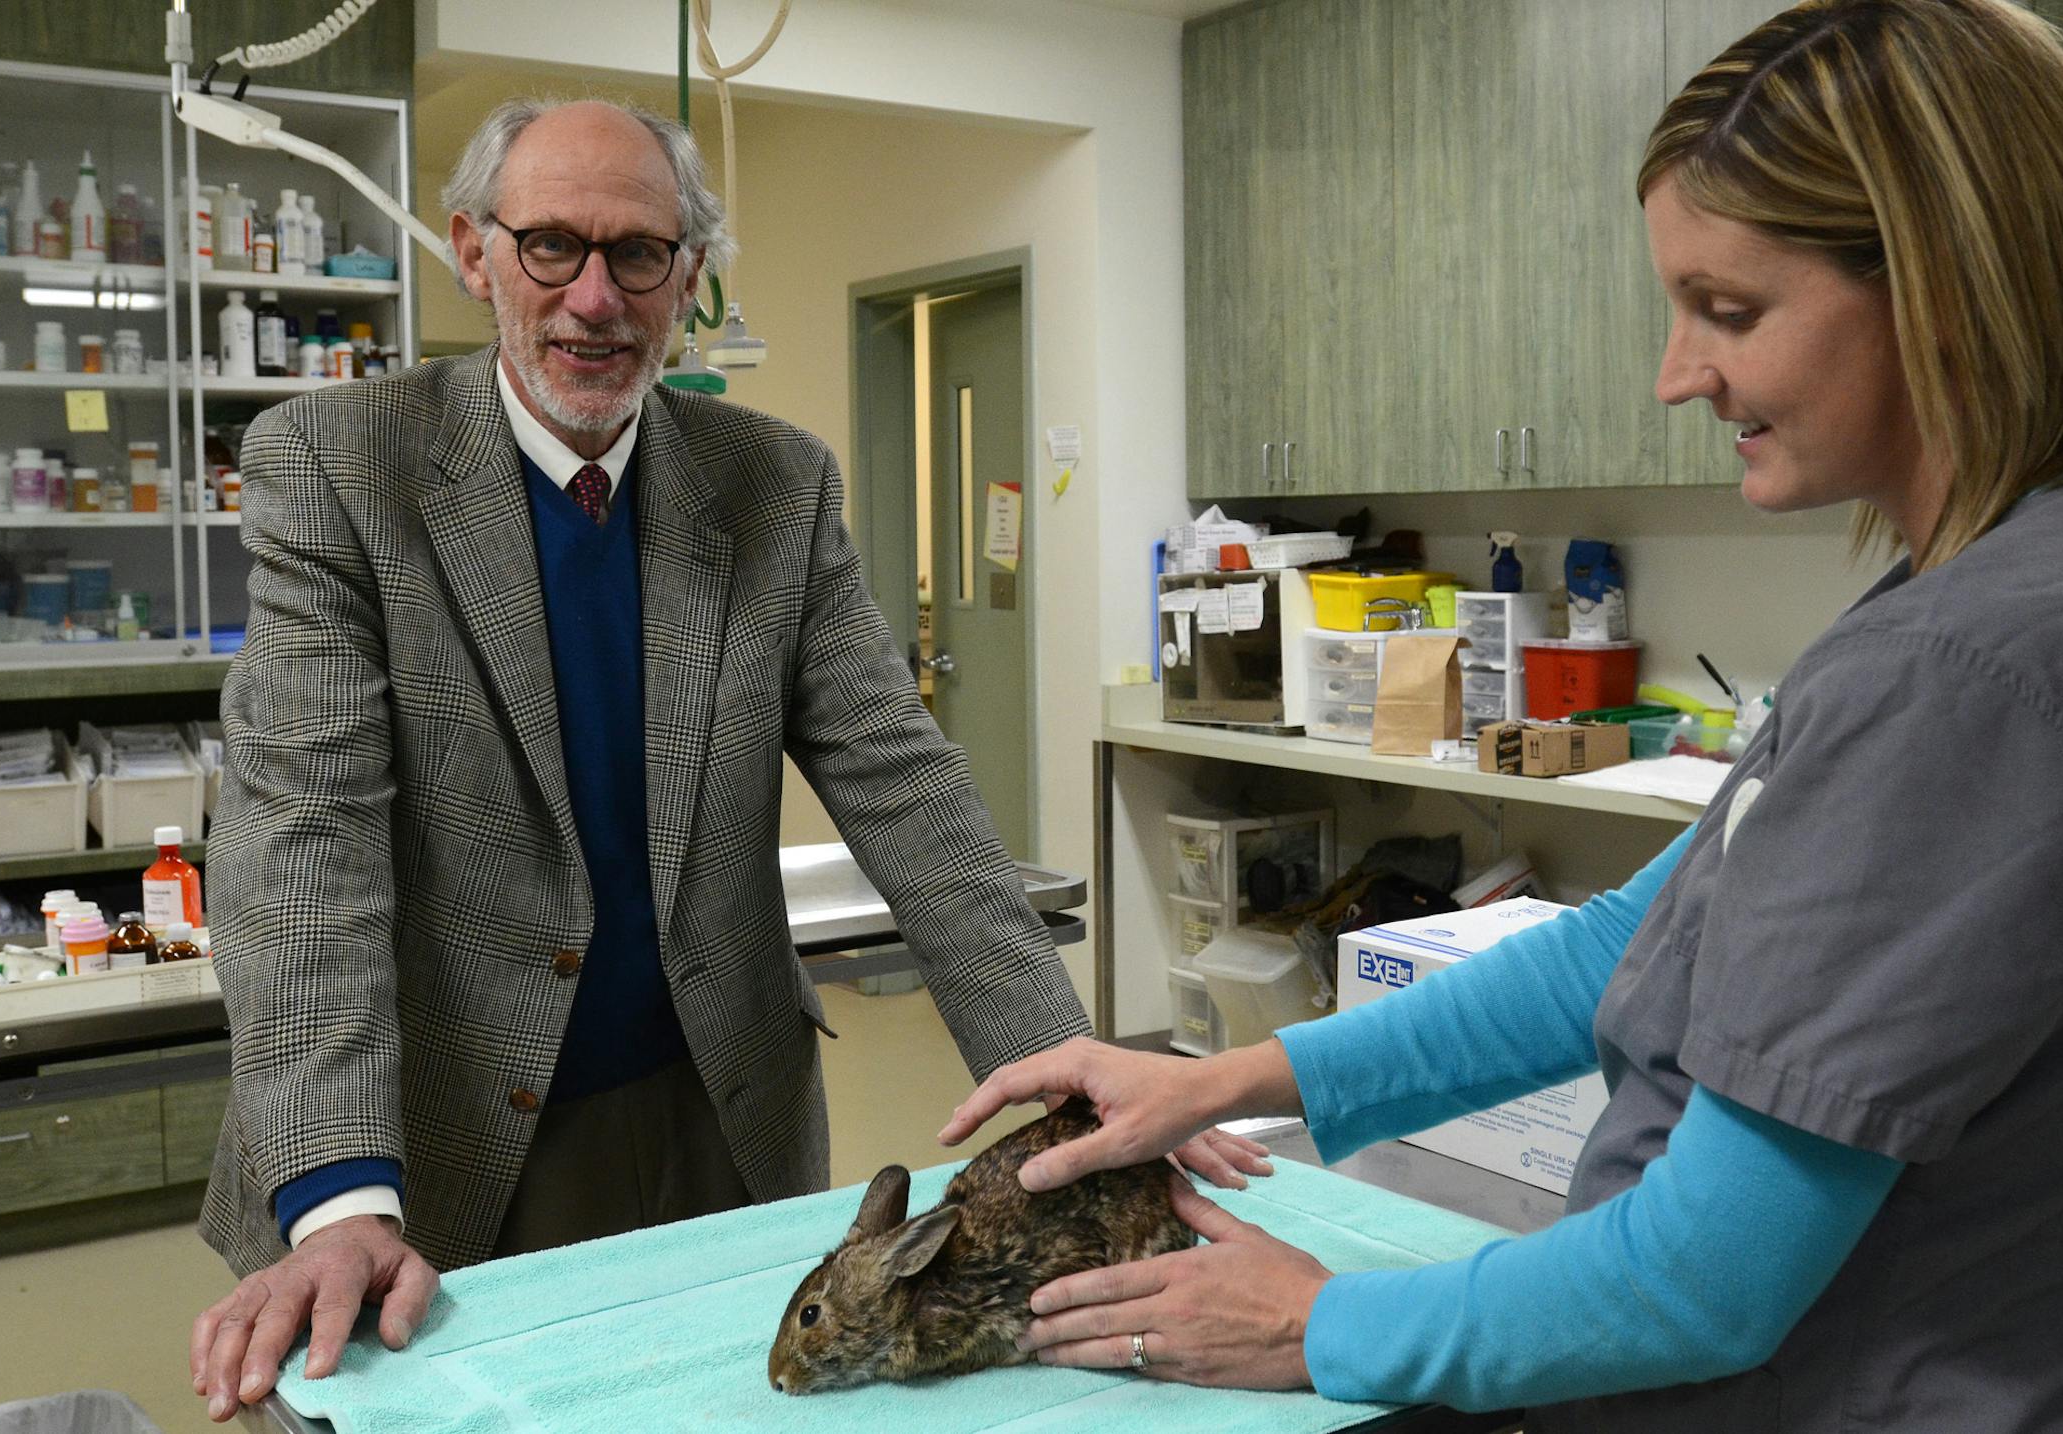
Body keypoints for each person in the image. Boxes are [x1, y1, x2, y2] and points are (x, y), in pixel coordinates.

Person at [942, 2, 2063, 1428]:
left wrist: (1317, 1320)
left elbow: (1700, 1283)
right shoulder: (2041, 578)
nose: (1677, 373)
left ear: (1945, 286)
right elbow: (1637, 947)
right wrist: (1231, 1078)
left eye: (1731, 310)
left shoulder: (1967, 672)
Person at [187, 97, 1265, 1424]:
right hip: (432, 1129)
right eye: (551, 248)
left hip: (715, 1119)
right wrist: (339, 1195)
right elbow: (303, 846)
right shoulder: (342, 468)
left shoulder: (775, 485)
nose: (596, 296)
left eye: (641, 254)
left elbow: (906, 786)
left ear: (689, 279)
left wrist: (1066, 1056)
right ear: (474, 253)